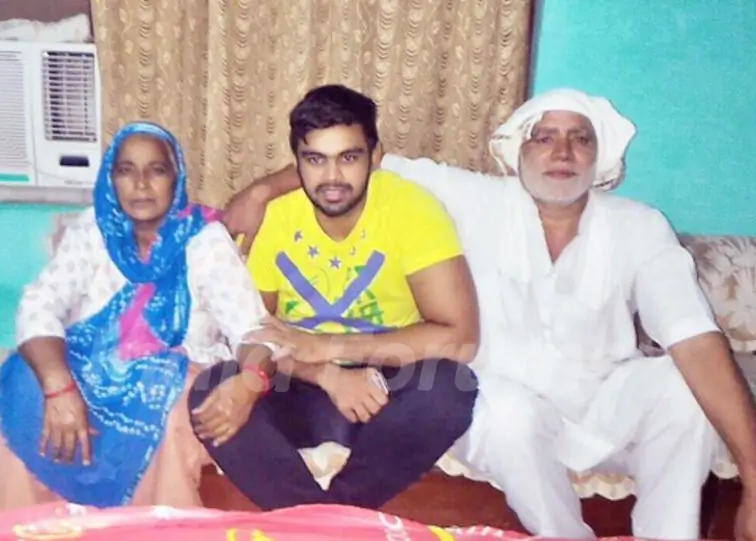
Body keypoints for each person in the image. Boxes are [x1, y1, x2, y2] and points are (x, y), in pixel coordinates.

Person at [220, 88, 756, 541]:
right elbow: (354, 166)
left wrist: (754, 482)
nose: (561, 151)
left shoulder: (640, 226)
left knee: (679, 385)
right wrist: (262, 190)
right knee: (500, 408)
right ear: (518, 150)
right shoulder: (479, 200)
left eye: (579, 138)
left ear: (600, 156)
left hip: (607, 403)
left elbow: (694, 336)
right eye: (543, 137)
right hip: (505, 411)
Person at [188, 84, 480, 511]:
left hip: (384, 384)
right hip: (300, 382)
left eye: (348, 158)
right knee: (211, 388)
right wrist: (325, 374)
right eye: (315, 160)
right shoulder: (278, 217)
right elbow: (252, 332)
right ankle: (324, 523)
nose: (332, 178)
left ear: (375, 157)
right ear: (297, 163)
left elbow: (462, 339)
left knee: (451, 388)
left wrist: (332, 348)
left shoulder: (414, 210)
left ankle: (330, 517)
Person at [0, 121, 275, 512]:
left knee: (171, 408)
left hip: (174, 376)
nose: (141, 183)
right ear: (111, 178)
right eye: (126, 170)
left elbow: (254, 331)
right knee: (25, 387)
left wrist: (250, 382)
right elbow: (39, 304)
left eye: (156, 170)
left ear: (176, 178)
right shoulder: (94, 230)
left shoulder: (205, 241)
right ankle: (32, 530)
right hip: (91, 368)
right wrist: (58, 386)